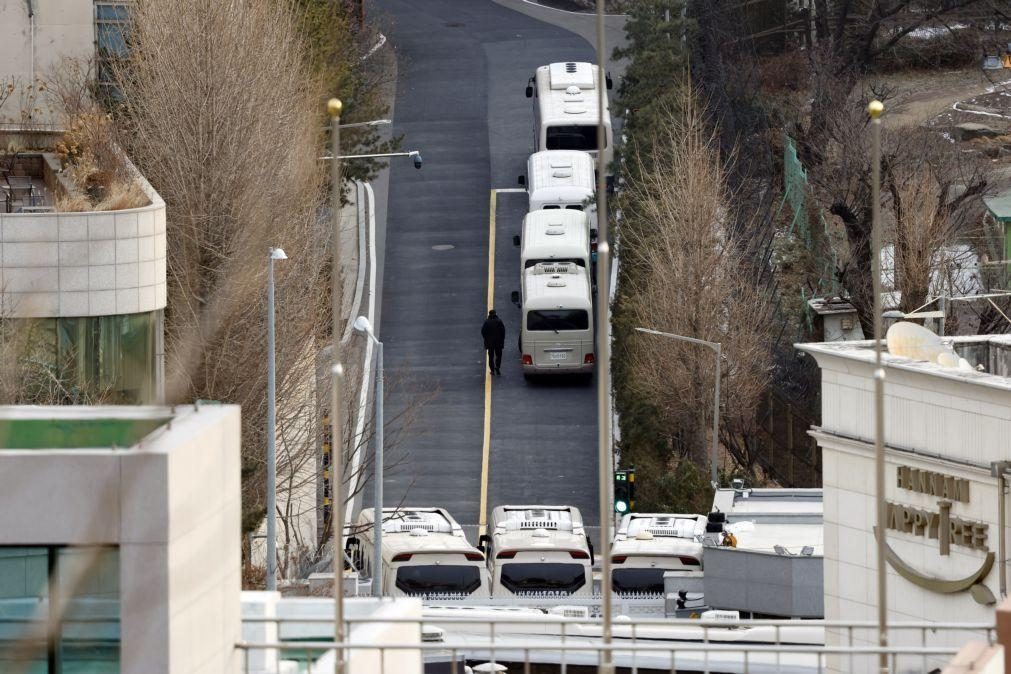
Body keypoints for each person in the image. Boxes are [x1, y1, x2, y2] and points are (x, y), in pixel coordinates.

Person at [481, 309, 506, 375]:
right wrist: (502, 340)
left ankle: (492, 370)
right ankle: (497, 366)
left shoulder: (487, 322)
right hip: (498, 343)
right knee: (499, 355)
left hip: (490, 343)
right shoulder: (499, 321)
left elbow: (483, 332)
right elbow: (503, 332)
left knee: (491, 357)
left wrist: (486, 339)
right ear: (495, 314)